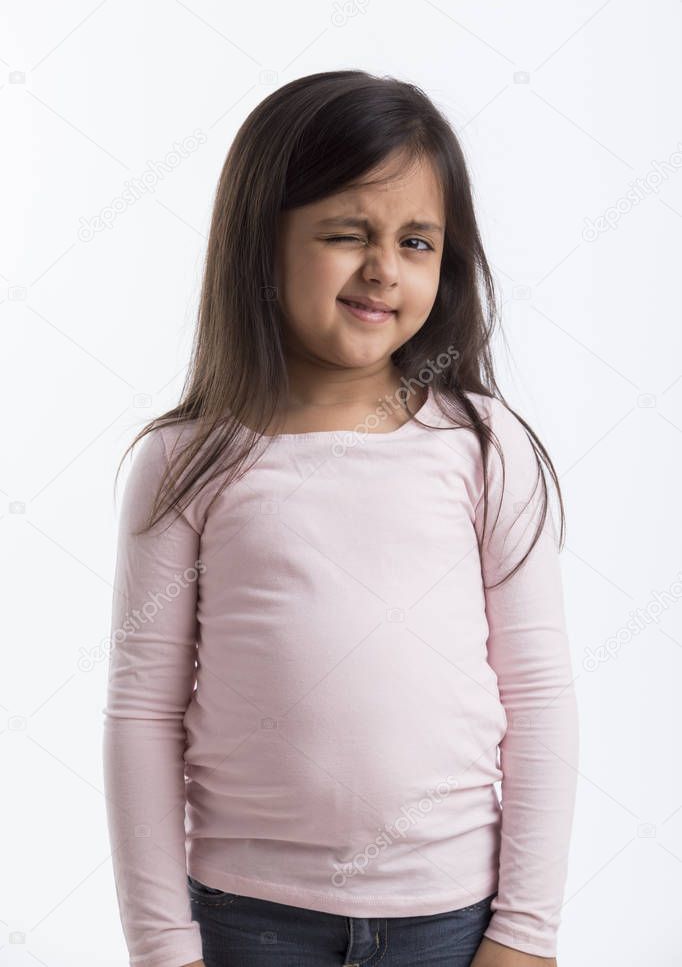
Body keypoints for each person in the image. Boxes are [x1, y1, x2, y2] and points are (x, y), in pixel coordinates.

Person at [102, 69, 579, 967]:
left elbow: (540, 699)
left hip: (451, 921)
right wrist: (163, 946)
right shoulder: (186, 462)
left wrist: (525, 932)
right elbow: (140, 714)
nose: (382, 269)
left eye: (416, 241)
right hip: (250, 920)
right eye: (346, 234)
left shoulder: (485, 447)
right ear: (261, 243)